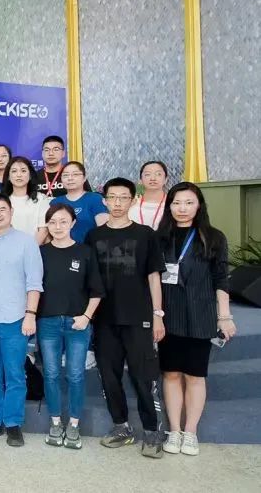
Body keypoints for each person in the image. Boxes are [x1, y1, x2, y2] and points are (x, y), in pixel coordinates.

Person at [85, 177, 166, 458]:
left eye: (123, 198)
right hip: (104, 318)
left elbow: (154, 277)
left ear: (133, 200)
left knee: (143, 377)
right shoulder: (94, 236)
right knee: (109, 375)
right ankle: (121, 427)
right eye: (112, 197)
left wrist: (157, 315)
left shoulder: (145, 234)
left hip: (138, 316)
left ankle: (152, 431)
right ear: (104, 200)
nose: (117, 203)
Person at [157, 182, 236, 456]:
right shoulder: (159, 237)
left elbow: (221, 279)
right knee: (170, 373)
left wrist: (224, 316)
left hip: (200, 315)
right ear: (169, 206)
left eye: (189, 202)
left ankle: (190, 432)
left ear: (199, 205)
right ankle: (174, 430)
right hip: (168, 315)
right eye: (177, 202)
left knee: (195, 375)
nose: (182, 208)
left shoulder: (213, 238)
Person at [0, 194, 43, 448]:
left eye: (2, 209)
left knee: (15, 373)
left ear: (11, 212)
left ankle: (13, 423)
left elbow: (34, 282)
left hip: (15, 319)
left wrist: (30, 314)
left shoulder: (27, 242)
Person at [37, 204, 104, 449]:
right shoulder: (40, 253)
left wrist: (86, 317)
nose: (58, 227)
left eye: (63, 221)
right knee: (51, 373)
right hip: (48, 322)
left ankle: (74, 424)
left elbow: (97, 290)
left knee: (75, 374)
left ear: (73, 223)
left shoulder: (85, 252)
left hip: (78, 323)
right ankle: (56, 422)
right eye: (53, 222)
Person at [51, 161, 108, 243]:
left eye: (75, 174)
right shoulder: (55, 202)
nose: (70, 178)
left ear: (84, 178)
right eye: (66, 175)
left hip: (89, 248)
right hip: (62, 248)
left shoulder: (95, 199)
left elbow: (104, 230)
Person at [3, 156, 51, 244]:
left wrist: (30, 249)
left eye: (23, 171)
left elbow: (43, 230)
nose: (19, 175)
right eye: (14, 171)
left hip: (34, 248)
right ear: (8, 177)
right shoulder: (3, 200)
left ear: (30, 176)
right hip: (7, 248)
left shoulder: (41, 199)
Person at [129, 160, 169, 230]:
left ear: (166, 179)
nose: (153, 178)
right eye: (147, 174)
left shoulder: (173, 203)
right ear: (140, 180)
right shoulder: (130, 203)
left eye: (158, 174)